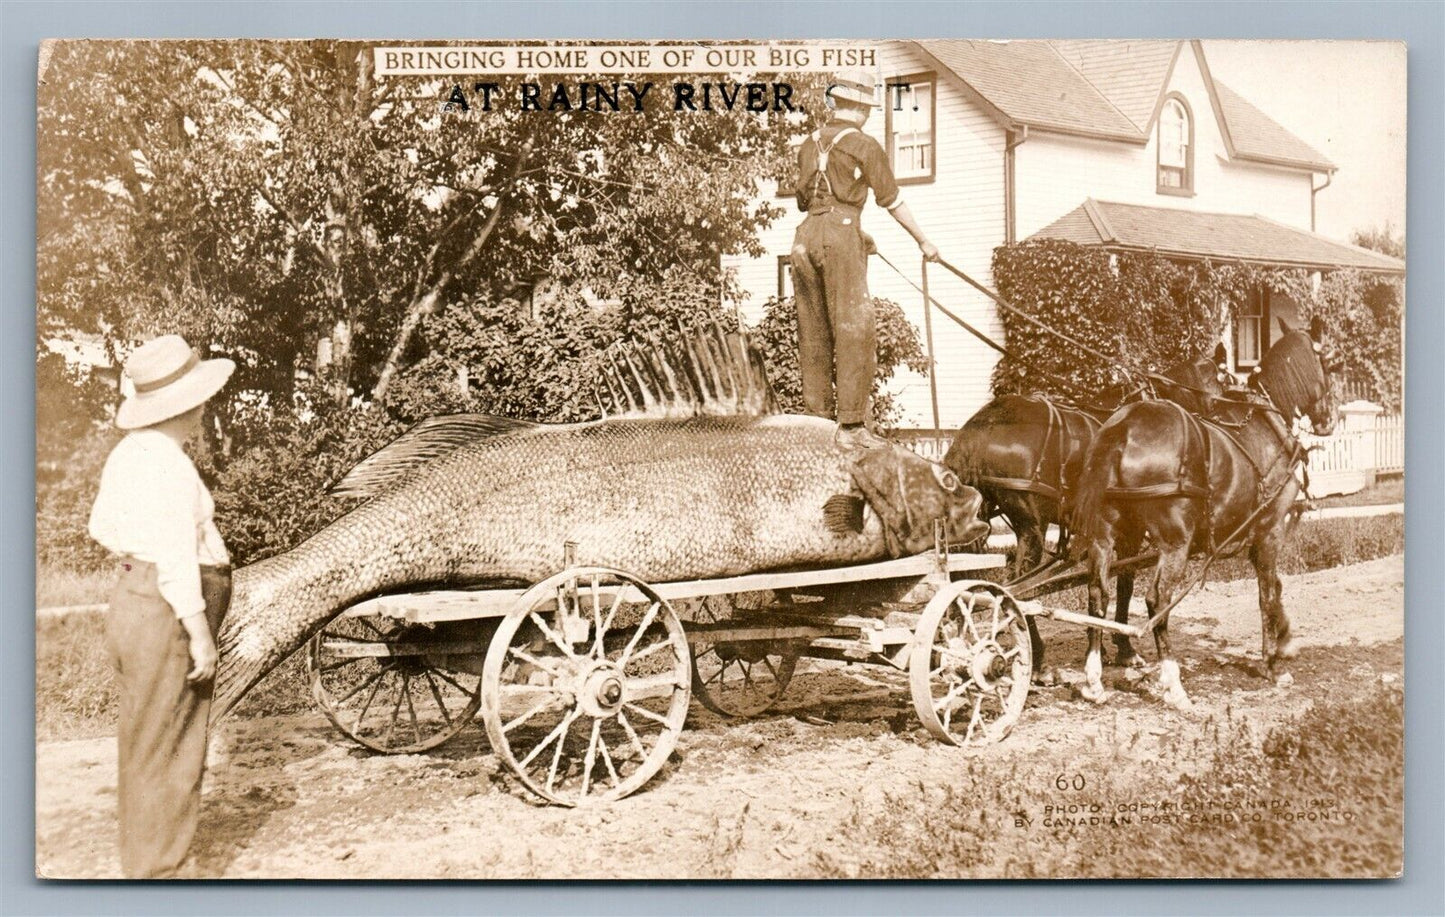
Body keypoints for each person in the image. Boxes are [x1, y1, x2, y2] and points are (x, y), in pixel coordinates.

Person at [87, 334, 235, 879]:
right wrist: (198, 632)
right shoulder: (167, 466)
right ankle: (162, 876)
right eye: (200, 399)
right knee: (172, 745)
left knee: (146, 742)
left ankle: (146, 866)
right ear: (189, 405)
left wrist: (137, 559)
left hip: (134, 597)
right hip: (165, 610)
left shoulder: (130, 454)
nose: (203, 407)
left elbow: (100, 526)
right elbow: (175, 556)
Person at [790, 71, 941, 451]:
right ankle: (852, 425)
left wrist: (857, 234)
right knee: (855, 326)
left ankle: (816, 418)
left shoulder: (808, 144)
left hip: (804, 237)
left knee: (814, 330)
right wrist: (924, 241)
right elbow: (891, 200)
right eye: (868, 108)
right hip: (840, 235)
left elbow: (807, 203)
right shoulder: (865, 145)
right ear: (858, 108)